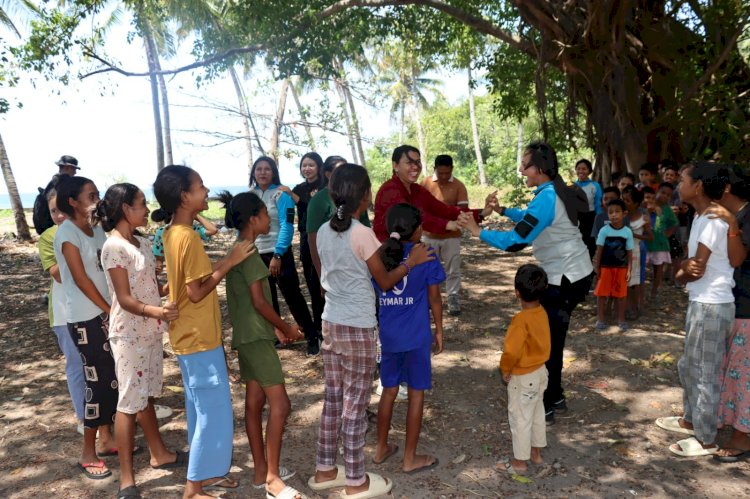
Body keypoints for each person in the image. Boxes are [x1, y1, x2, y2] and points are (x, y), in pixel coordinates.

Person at [308, 164, 433, 499]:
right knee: (354, 402)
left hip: (330, 322)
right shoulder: (361, 234)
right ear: (365, 196)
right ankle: (355, 478)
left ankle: (325, 468)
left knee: (334, 398)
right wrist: (413, 262)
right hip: (358, 327)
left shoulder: (322, 230)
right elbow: (386, 280)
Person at [458, 141, 593, 425]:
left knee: (547, 343)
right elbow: (532, 220)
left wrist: (477, 231)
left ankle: (546, 404)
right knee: (551, 339)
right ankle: (555, 396)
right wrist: (505, 210)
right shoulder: (552, 190)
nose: (522, 170)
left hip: (564, 279)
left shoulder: (547, 196)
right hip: (575, 273)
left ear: (540, 168)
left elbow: (516, 241)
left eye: (525, 165)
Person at [153, 165, 255, 499]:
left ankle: (209, 473)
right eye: (200, 185)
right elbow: (196, 291)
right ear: (185, 196)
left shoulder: (173, 233)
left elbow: (183, 282)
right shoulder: (187, 237)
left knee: (202, 409)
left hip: (191, 335)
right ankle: (193, 487)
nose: (206, 189)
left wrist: (222, 262)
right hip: (196, 338)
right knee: (212, 412)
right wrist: (230, 261)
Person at [97, 183, 185, 498]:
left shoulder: (143, 243)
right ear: (125, 209)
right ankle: (126, 481)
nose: (147, 209)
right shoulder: (114, 248)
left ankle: (159, 454)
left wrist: (173, 290)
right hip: (129, 334)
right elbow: (124, 298)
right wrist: (156, 309)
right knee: (128, 403)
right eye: (141, 204)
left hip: (149, 330)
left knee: (145, 395)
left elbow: (151, 287)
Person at [219, 191, 304, 498]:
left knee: (255, 404)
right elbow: (258, 301)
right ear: (254, 219)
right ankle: (271, 479)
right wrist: (286, 326)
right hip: (255, 337)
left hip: (249, 335)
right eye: (267, 215)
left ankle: (260, 472)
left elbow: (250, 301)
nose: (271, 219)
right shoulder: (250, 253)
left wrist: (275, 330)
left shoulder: (240, 249)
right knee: (281, 405)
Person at [659, 162, 738, 457]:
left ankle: (706, 439)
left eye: (682, 180)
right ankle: (690, 420)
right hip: (702, 303)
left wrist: (679, 273)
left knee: (705, 372)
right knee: (689, 365)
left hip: (712, 306)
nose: (678, 185)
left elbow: (694, 270)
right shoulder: (701, 217)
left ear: (699, 187)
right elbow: (690, 268)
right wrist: (683, 271)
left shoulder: (714, 221)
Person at [372, 203, 445, 473]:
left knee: (388, 391)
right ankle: (410, 458)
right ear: (416, 230)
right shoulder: (424, 254)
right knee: (416, 394)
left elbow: (377, 288)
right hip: (416, 338)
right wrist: (439, 329)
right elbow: (434, 298)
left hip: (388, 337)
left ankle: (380, 448)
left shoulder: (378, 254)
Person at [53, 175, 117, 479]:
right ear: (72, 202)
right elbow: (80, 279)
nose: (96, 199)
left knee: (110, 378)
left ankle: (106, 440)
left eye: (97, 194)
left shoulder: (95, 230)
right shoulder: (67, 234)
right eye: (91, 195)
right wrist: (109, 310)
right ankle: (87, 453)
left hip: (104, 312)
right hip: (84, 318)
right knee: (97, 382)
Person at [249, 156, 320, 356]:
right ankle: (278, 336)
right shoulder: (250, 195)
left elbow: (287, 226)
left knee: (293, 296)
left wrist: (278, 254)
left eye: (267, 169)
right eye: (259, 169)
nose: (263, 173)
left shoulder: (281, 195)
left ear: (273, 172)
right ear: (254, 172)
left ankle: (311, 335)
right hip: (256, 254)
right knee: (267, 297)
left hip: (279, 253)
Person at [36, 175, 85, 435]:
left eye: (62, 209)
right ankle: (83, 415)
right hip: (65, 313)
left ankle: (107, 413)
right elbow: (56, 273)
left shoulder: (90, 230)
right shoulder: (48, 237)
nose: (59, 215)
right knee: (77, 364)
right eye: (53, 211)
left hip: (94, 307)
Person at [373, 145, 494, 243]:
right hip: (388, 251)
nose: (415, 167)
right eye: (409, 162)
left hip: (409, 246)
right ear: (395, 166)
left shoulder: (417, 189)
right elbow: (411, 219)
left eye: (418, 162)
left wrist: (481, 213)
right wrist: (448, 224)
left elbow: (443, 209)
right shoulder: (389, 190)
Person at [498, 264, 550, 475]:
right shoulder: (542, 313)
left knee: (521, 418)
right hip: (540, 372)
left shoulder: (520, 321)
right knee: (537, 413)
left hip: (523, 377)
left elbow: (511, 351)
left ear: (517, 292)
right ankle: (536, 453)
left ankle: (520, 462)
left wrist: (505, 369)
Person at [713, 167, 750, 462]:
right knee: (734, 369)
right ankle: (732, 421)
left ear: (725, 188)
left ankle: (742, 436)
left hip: (748, 306)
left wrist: (731, 225)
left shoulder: (745, 218)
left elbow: (738, 258)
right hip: (737, 303)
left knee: (743, 372)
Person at [420, 154, 469, 315]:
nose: (443, 176)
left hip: (452, 236)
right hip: (429, 235)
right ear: (435, 169)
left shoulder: (459, 186)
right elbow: (420, 211)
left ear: (451, 170)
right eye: (440, 173)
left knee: (453, 269)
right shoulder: (425, 184)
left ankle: (453, 297)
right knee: (427, 269)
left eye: (447, 173)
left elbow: (463, 212)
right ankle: (428, 298)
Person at [286, 152, 326, 335]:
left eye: (311, 165)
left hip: (325, 237)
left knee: (326, 280)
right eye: (304, 165)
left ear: (319, 167)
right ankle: (318, 326)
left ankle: (329, 323)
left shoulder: (326, 187)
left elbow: (311, 206)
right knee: (312, 282)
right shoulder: (299, 188)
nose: (307, 169)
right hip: (306, 239)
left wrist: (295, 198)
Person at [592, 199, 634, 331]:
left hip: (621, 268)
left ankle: (621, 320)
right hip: (605, 268)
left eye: (617, 212)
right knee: (601, 294)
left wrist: (629, 270)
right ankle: (600, 319)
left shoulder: (627, 232)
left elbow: (630, 253)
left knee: (621, 295)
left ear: (624, 214)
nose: (614, 215)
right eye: (611, 212)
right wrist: (597, 267)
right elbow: (599, 251)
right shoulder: (604, 231)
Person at [621, 186, 653, 318]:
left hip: (635, 253)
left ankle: (634, 308)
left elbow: (650, 237)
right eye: (623, 199)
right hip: (621, 252)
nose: (624, 202)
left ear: (636, 203)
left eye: (628, 200)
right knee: (623, 282)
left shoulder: (643, 218)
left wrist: (634, 235)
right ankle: (625, 309)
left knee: (633, 283)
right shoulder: (622, 215)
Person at [151, 211, 217, 272]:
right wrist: (159, 264)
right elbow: (159, 256)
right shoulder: (162, 232)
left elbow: (213, 230)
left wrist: (195, 215)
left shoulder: (192, 229)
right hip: (177, 272)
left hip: (195, 270)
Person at [644, 184, 679, 301]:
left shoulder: (667, 210)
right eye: (663, 192)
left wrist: (668, 234)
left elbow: (674, 223)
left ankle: (654, 291)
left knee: (658, 268)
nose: (665, 196)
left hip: (660, 243)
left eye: (668, 195)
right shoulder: (645, 204)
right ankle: (639, 291)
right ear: (657, 191)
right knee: (641, 267)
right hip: (644, 242)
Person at [574, 159, 603, 258]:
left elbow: (598, 204)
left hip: (591, 217)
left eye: (584, 169)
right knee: (577, 243)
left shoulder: (595, 186)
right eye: (578, 169)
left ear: (589, 171)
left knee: (590, 244)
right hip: (576, 218)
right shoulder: (571, 186)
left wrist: (598, 220)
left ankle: (589, 266)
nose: (581, 171)